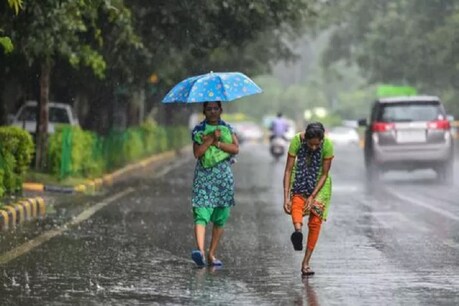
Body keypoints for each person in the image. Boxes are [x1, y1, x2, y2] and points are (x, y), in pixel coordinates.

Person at [190, 101, 239, 267]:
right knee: (201, 212)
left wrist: (218, 142)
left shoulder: (227, 128)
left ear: (221, 110)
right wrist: (210, 138)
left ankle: (211, 254)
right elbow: (197, 153)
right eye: (209, 109)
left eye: (215, 108)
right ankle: (200, 252)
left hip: (223, 178)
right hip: (204, 177)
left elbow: (235, 149)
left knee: (220, 217)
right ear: (204, 111)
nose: (212, 111)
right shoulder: (198, 130)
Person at [282, 122, 334, 276]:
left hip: (320, 184)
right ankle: (298, 232)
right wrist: (286, 197)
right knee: (296, 204)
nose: (313, 148)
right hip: (300, 178)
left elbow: (324, 174)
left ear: (322, 140)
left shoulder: (328, 145)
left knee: (315, 222)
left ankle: (306, 263)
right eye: (310, 144)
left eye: (316, 145)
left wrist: (312, 196)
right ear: (305, 139)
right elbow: (288, 170)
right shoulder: (296, 141)